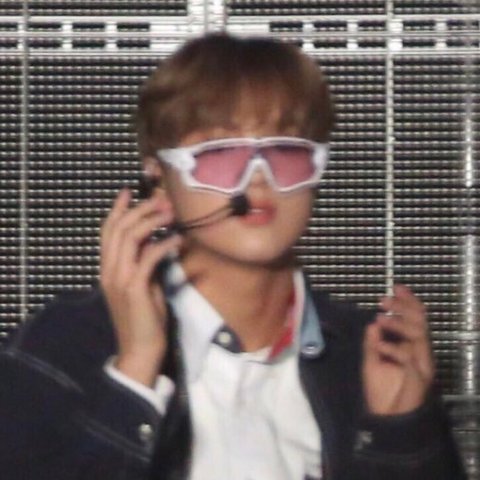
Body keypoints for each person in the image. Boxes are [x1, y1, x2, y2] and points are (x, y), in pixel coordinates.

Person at [0, 33, 466, 480]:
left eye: (286, 151)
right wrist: (135, 373)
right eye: (219, 153)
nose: (257, 179)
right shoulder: (64, 346)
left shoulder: (372, 357)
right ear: (159, 178)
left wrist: (399, 437)